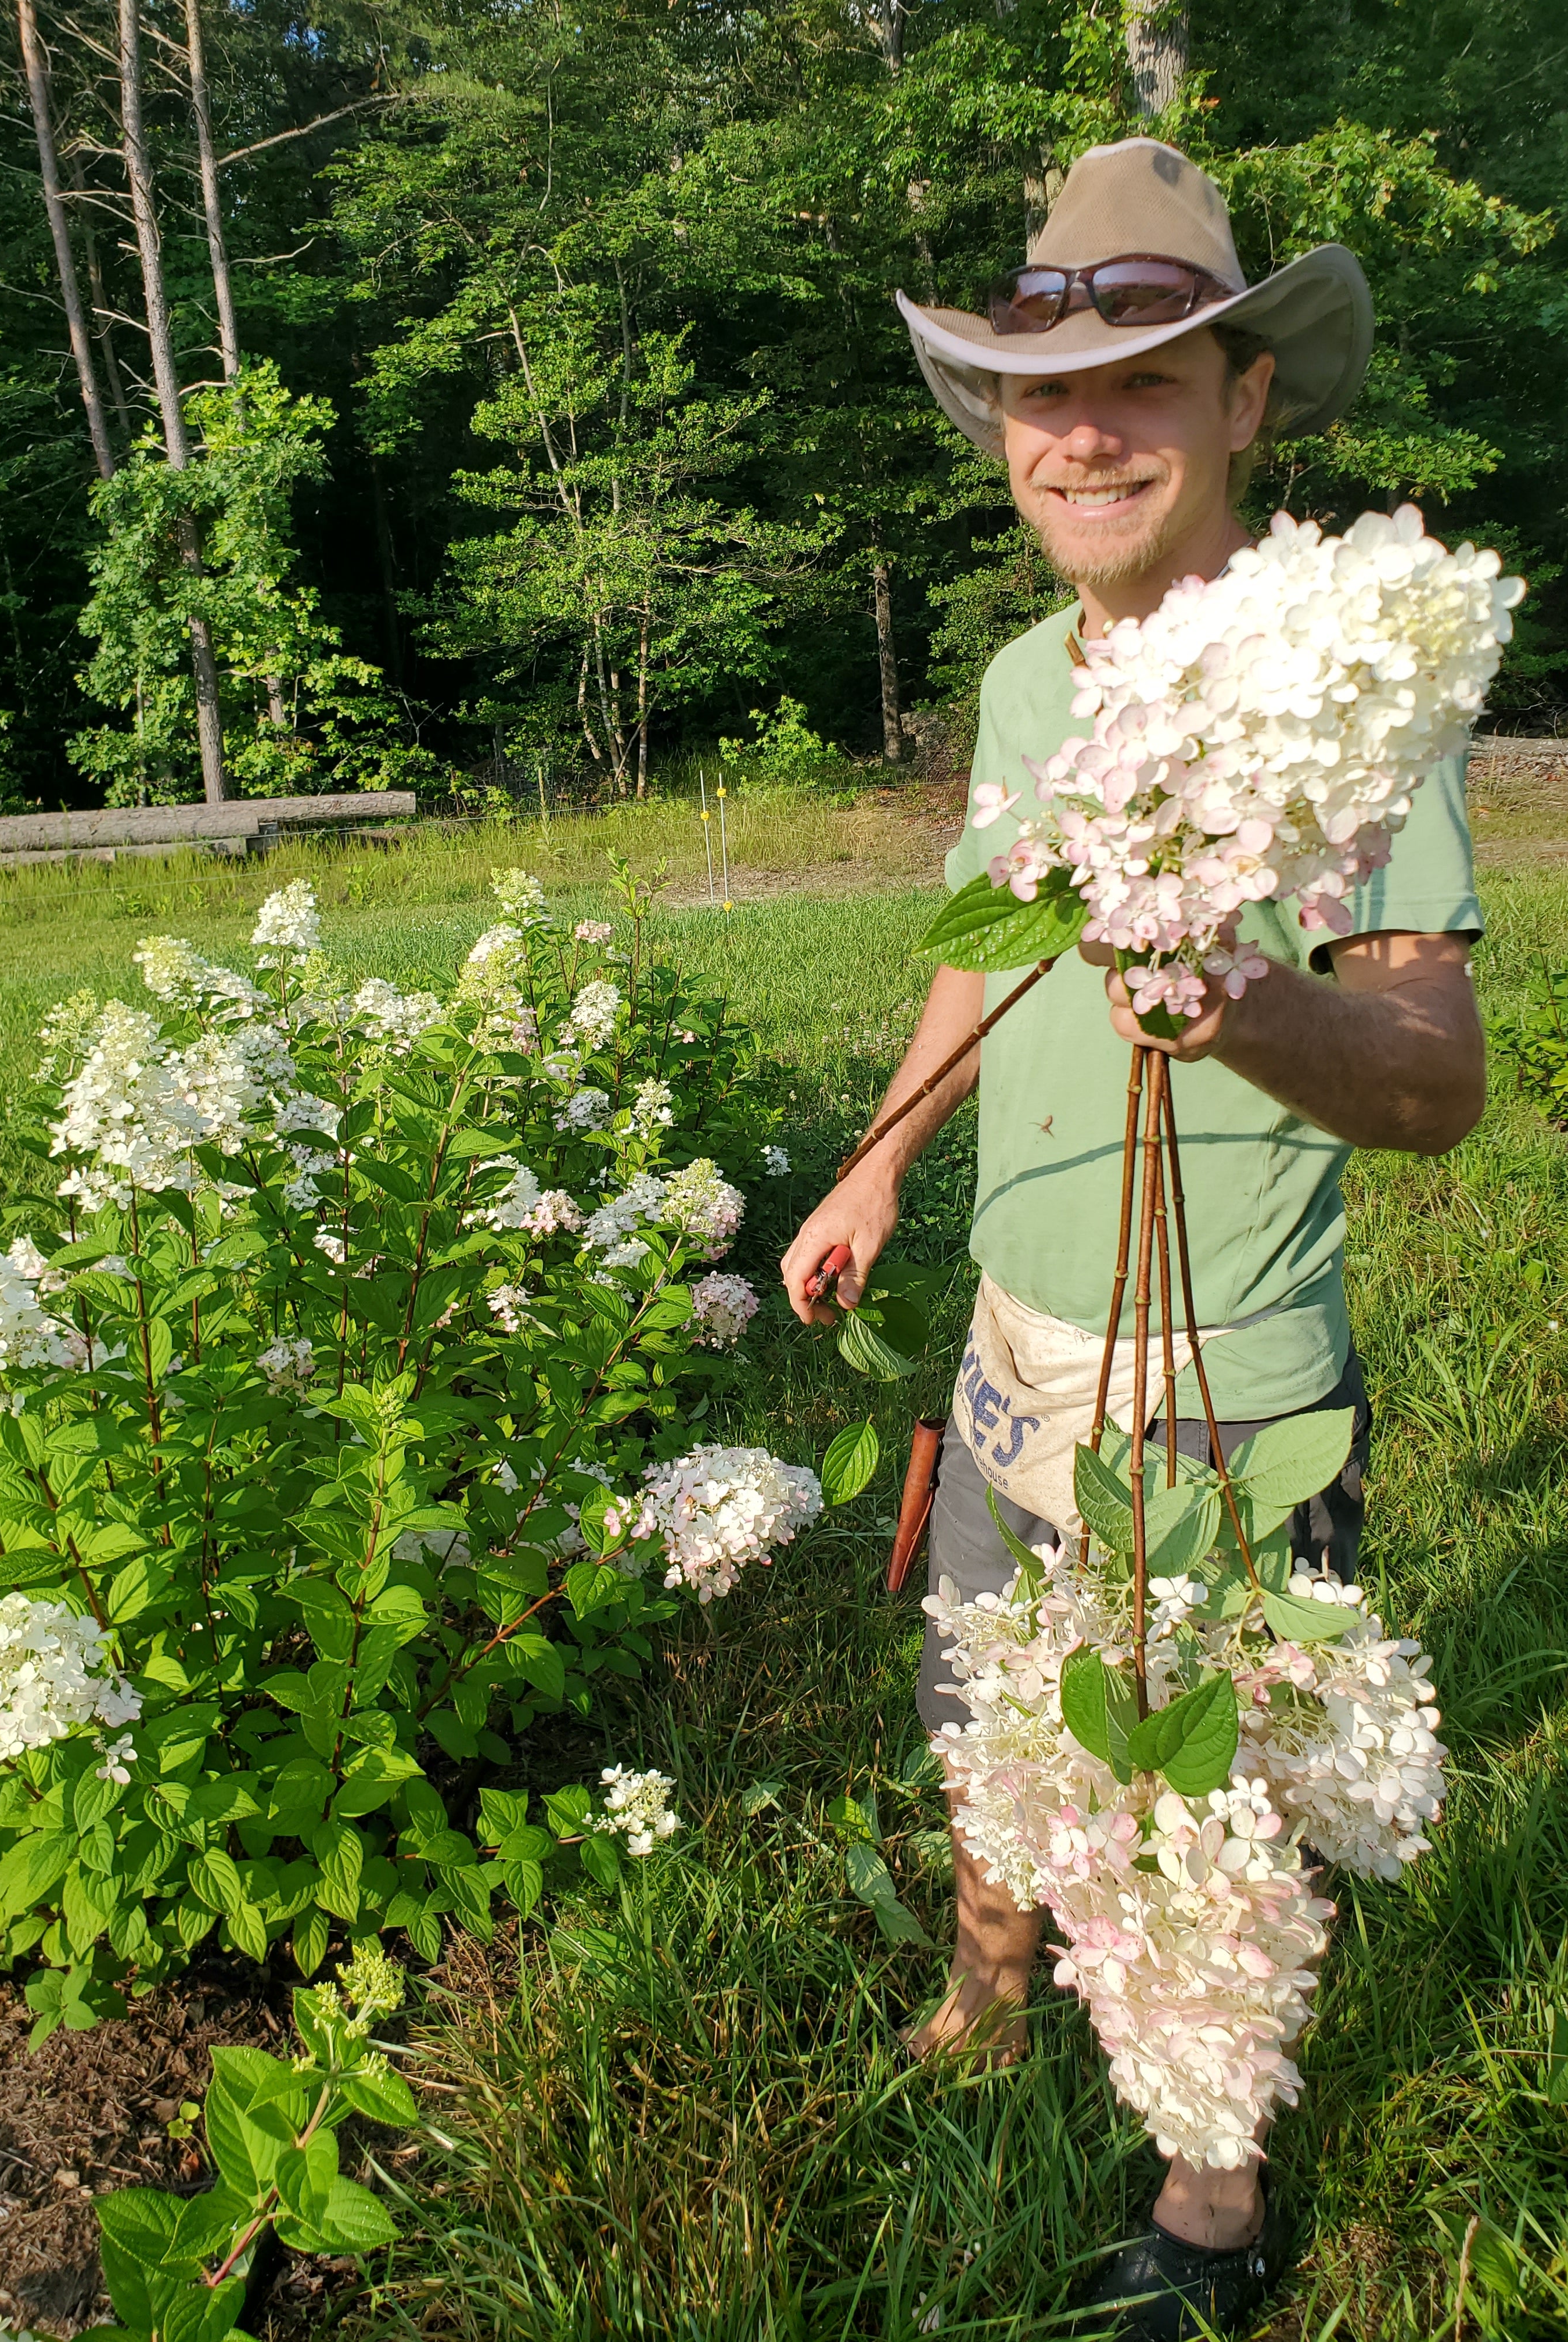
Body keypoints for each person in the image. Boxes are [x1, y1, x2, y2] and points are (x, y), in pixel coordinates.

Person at [781, 138, 1486, 2341]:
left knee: (1215, 1798)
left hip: (1224, 1379)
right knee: (999, 1714)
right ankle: (989, 2010)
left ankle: (1207, 2199)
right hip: (1014, 1338)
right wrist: (885, 1154)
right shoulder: (1020, 681)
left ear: (1248, 401)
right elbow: (994, 943)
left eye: (1148, 378)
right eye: (1029, 385)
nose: (1076, 427)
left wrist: (1243, 997)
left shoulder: (1357, 683)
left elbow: (1440, 1083)